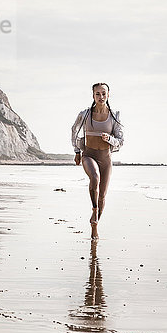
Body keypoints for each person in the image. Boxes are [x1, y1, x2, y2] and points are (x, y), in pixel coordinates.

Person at [71, 82, 124, 239]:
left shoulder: (114, 116)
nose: (101, 96)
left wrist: (110, 139)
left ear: (108, 95)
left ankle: (95, 225)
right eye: (97, 94)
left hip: (106, 158)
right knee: (94, 178)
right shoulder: (85, 114)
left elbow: (121, 140)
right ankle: (94, 210)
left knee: (102, 197)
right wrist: (77, 151)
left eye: (103, 93)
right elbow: (74, 130)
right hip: (89, 155)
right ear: (93, 96)